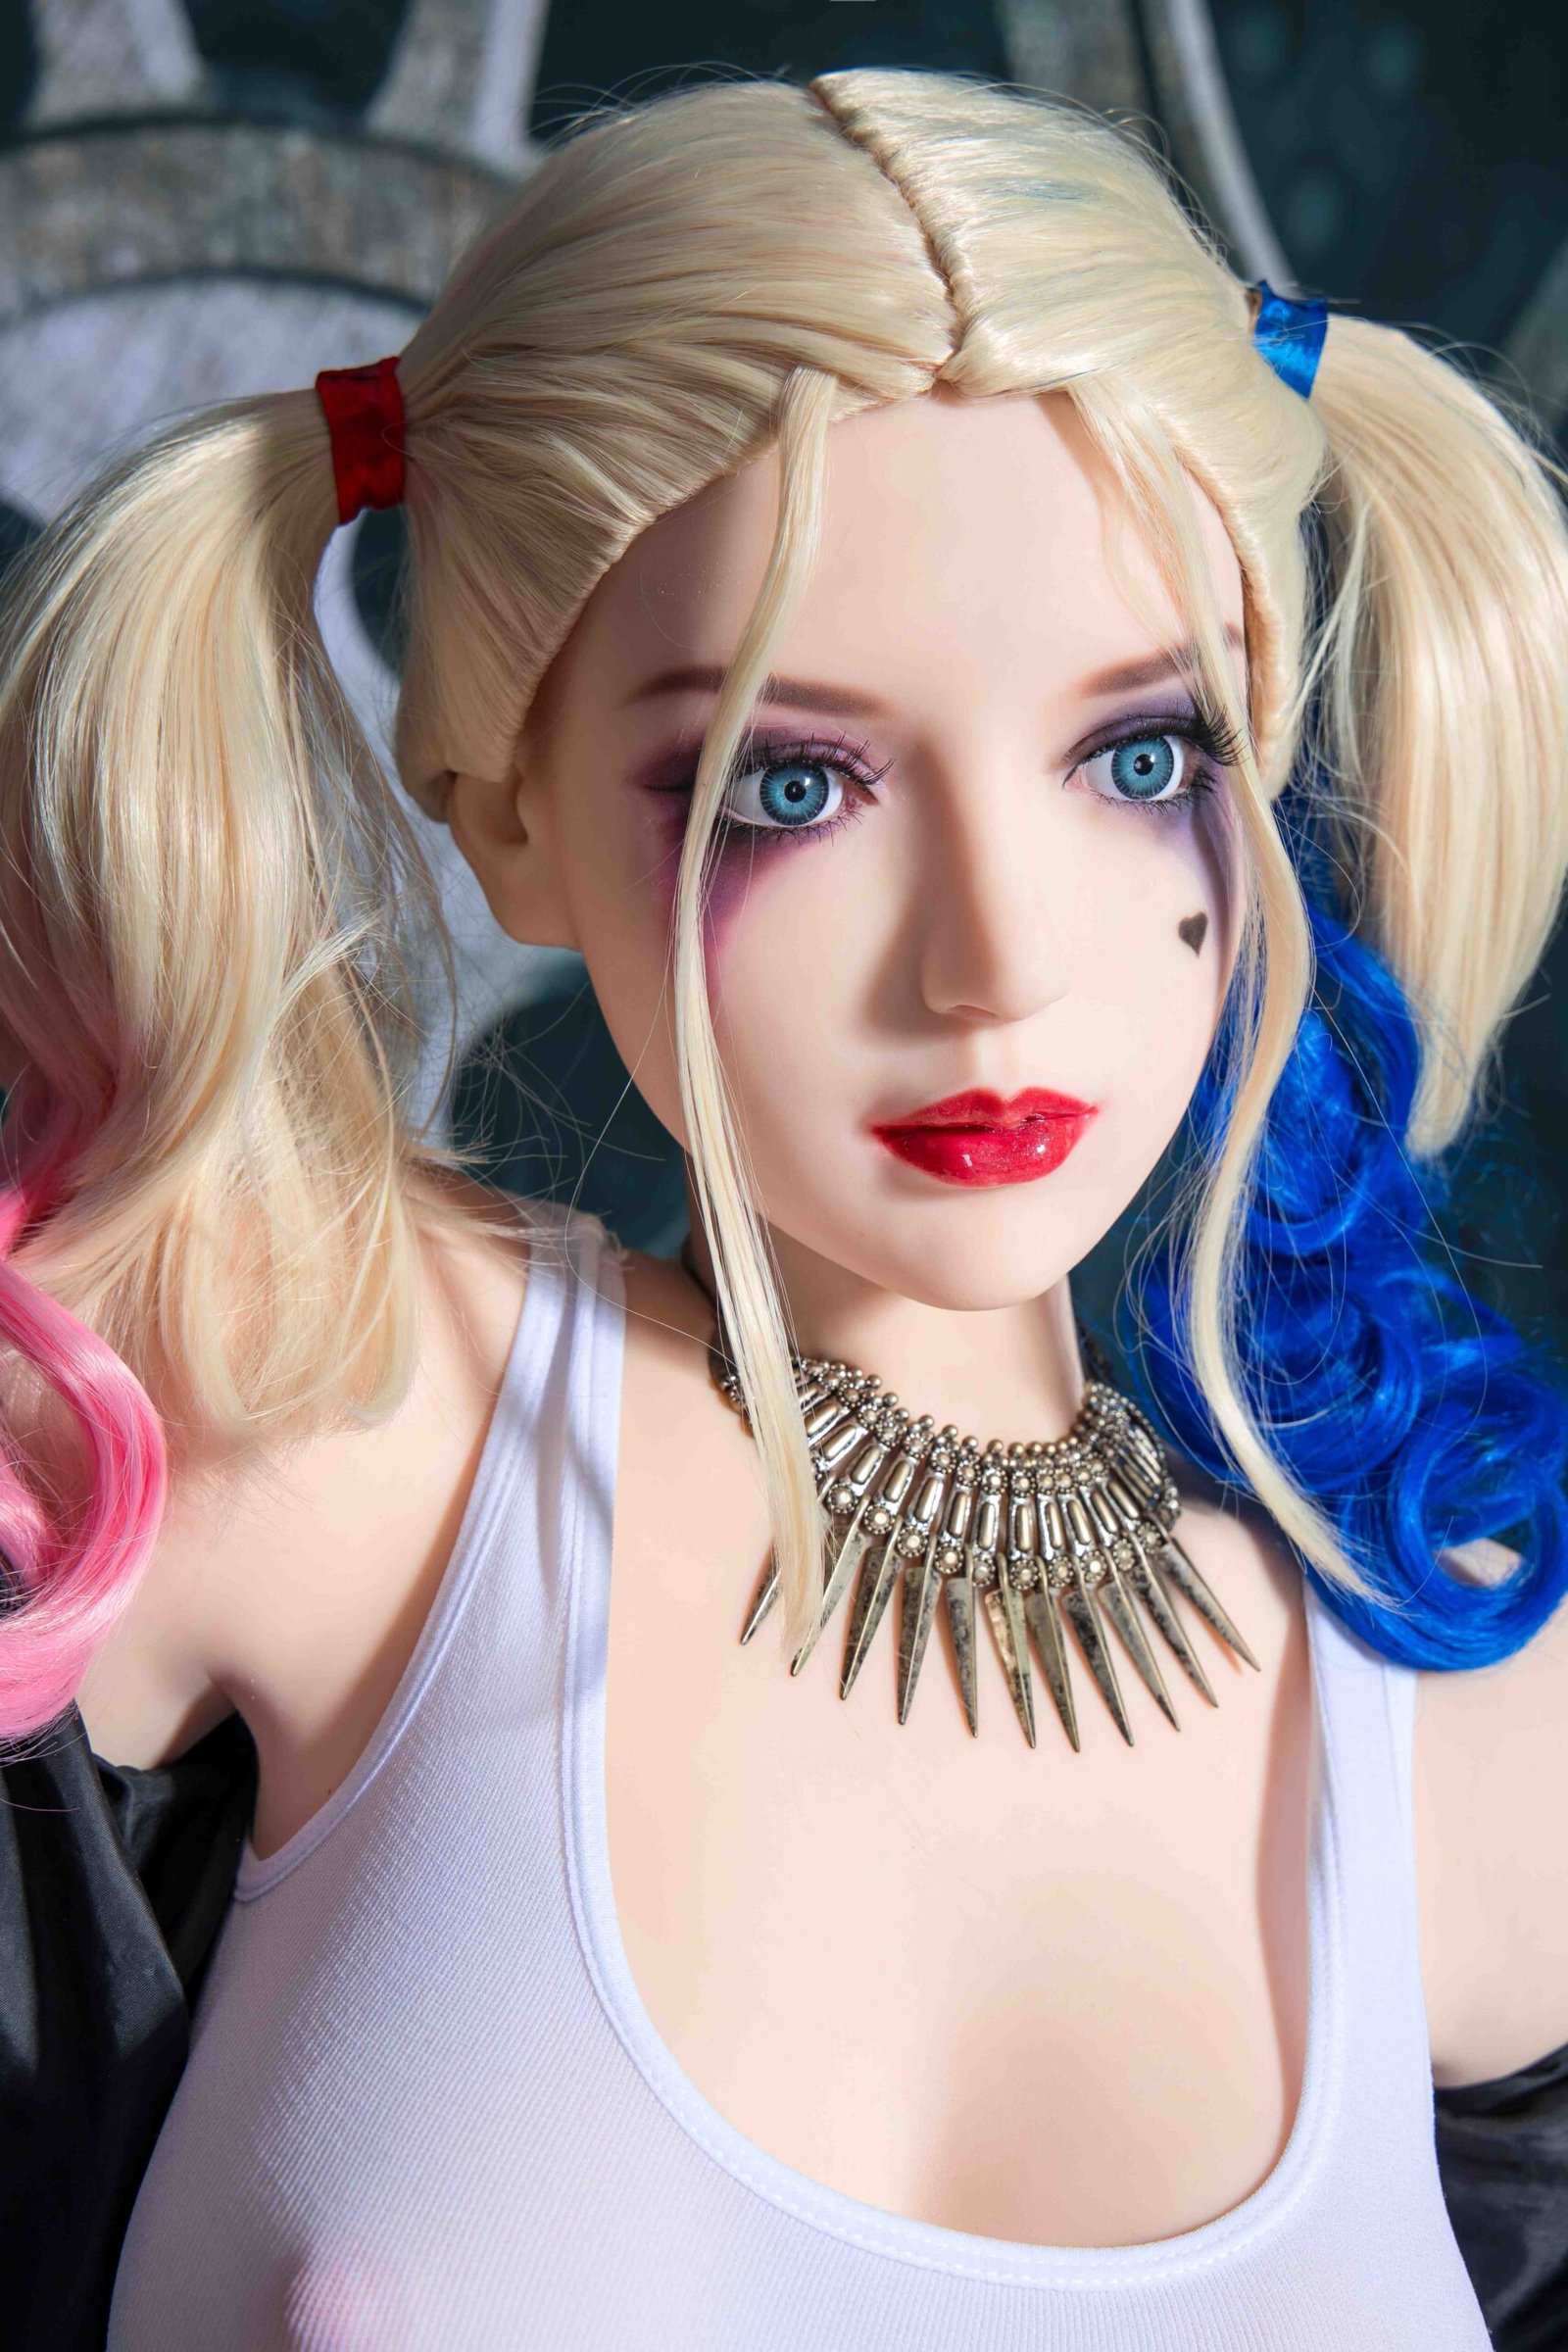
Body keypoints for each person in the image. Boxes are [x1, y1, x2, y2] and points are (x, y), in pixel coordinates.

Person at [1, 67, 1566, 2350]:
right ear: (504, 815)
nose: (992, 960)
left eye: (1137, 758)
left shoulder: (1473, 1750)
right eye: (789, 786)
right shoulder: (307, 1399)